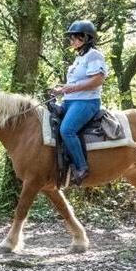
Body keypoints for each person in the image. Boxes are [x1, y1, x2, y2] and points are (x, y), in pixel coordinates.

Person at [53, 20, 107, 185]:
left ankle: (81, 167)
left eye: (74, 37)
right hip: (70, 101)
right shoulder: (79, 58)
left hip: (87, 102)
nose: (71, 41)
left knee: (67, 130)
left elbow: (97, 80)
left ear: (85, 38)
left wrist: (70, 88)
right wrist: (60, 89)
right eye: (71, 38)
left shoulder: (94, 55)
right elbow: (74, 84)